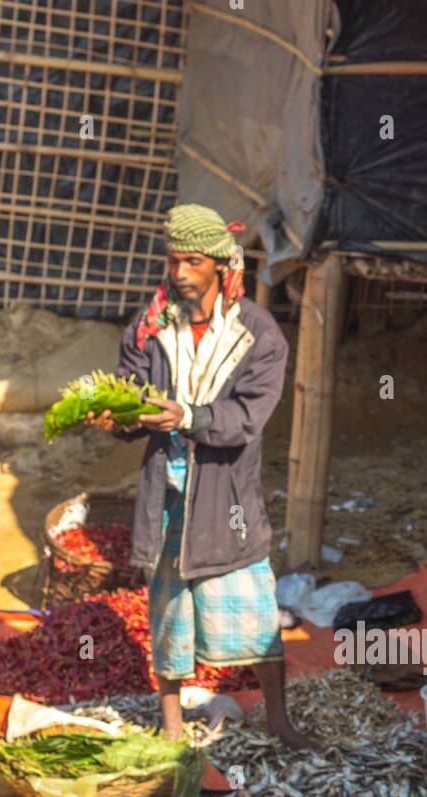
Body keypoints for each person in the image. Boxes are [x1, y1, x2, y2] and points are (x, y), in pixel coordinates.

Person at [87, 202, 310, 747]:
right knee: (167, 612)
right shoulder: (150, 327)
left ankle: (280, 722)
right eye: (173, 261)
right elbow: (133, 395)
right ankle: (170, 728)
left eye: (192, 262)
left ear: (220, 265)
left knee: (255, 611)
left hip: (225, 490)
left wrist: (188, 416)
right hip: (166, 486)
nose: (180, 273)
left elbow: (246, 418)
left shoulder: (258, 333)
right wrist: (115, 418)